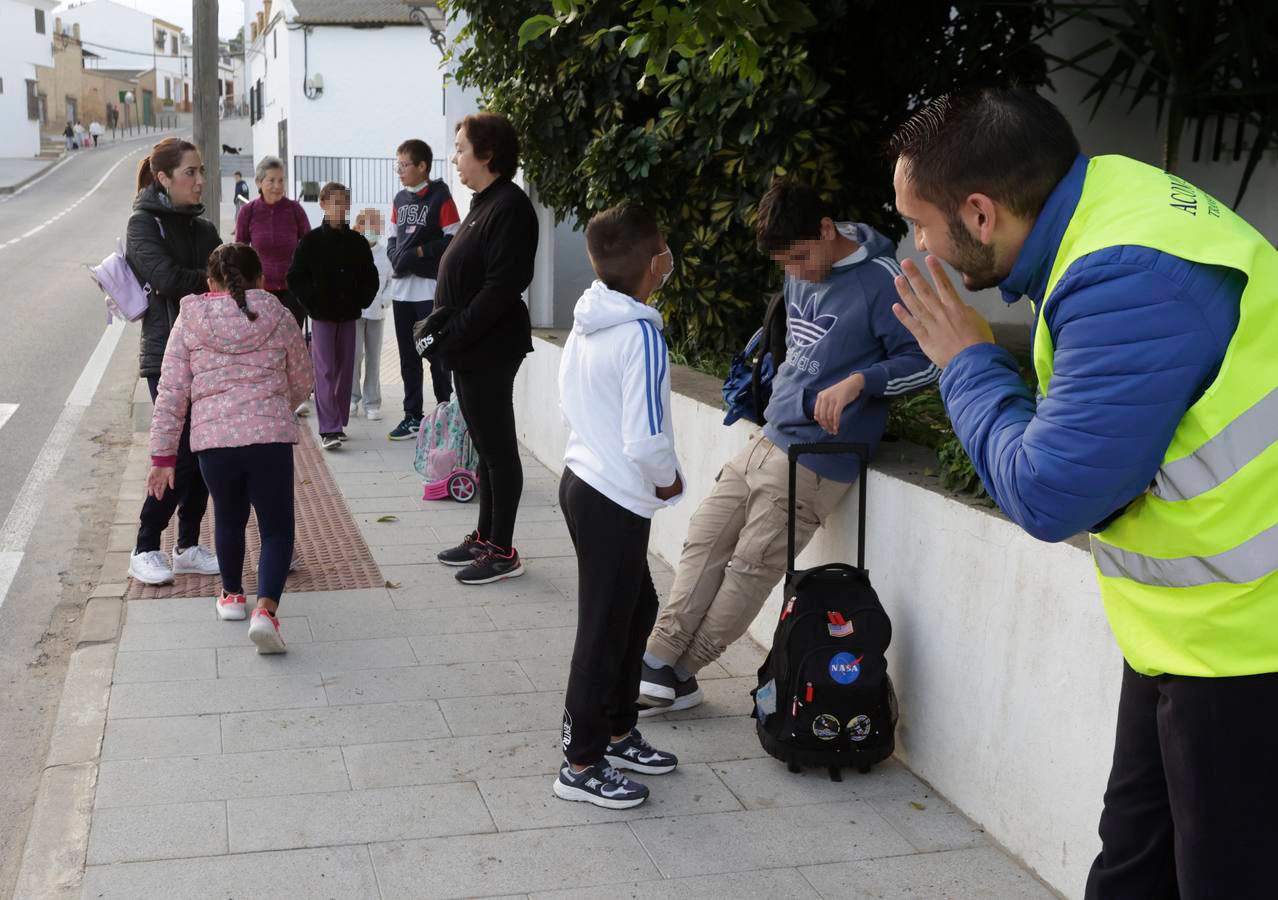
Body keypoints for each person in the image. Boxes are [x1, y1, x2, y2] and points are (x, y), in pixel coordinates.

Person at [885, 87, 1277, 900]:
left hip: (1246, 650)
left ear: (981, 213)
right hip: (1187, 633)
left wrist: (966, 363)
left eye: (920, 223)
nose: (918, 243)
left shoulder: (1126, 279)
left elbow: (1052, 495)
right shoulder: (1110, 201)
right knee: (1130, 869)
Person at [638, 177, 937, 715]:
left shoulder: (882, 281)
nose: (796, 272)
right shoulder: (800, 263)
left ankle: (681, 674)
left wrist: (860, 382)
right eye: (786, 263)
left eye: (800, 258)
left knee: (750, 568)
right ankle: (656, 660)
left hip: (820, 458)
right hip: (767, 438)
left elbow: (926, 363)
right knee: (704, 539)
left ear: (826, 229)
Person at [553, 203, 683, 809]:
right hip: (612, 497)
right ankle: (580, 763)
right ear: (655, 263)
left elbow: (571, 404)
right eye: (664, 248)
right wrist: (668, 482)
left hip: (584, 483)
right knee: (603, 627)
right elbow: (647, 438)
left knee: (636, 610)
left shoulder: (588, 319)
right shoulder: (641, 335)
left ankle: (617, 731)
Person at [147, 243, 313, 653]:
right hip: (269, 438)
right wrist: (278, 405)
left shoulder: (190, 318)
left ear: (210, 282)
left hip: (214, 443)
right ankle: (266, 611)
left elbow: (171, 392)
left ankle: (233, 596)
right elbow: (302, 378)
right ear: (261, 279)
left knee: (228, 517)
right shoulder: (279, 314)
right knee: (276, 529)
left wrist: (163, 457)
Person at [426, 113, 539, 585]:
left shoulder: (510, 207)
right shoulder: (484, 203)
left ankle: (502, 550)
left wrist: (454, 332)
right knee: (485, 446)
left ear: (487, 154)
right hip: (470, 348)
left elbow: (501, 286)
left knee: (498, 450)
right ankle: (485, 537)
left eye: (461, 148)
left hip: (489, 347)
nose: (454, 157)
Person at [125, 137, 223, 586]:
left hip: (208, 352)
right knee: (179, 456)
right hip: (165, 354)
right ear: (163, 178)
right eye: (190, 173)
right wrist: (210, 280)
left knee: (202, 454)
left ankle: (187, 546)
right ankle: (145, 546)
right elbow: (166, 279)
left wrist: (209, 280)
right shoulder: (143, 225)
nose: (200, 180)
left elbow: (227, 279)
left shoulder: (203, 227)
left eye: (200, 171)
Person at [286, 182, 379, 450]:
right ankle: (329, 428)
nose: (340, 208)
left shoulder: (357, 242)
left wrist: (361, 301)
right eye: (334, 203)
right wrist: (312, 303)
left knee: (346, 369)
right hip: (322, 317)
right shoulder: (311, 241)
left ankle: (338, 421)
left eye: (344, 203)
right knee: (325, 370)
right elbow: (295, 277)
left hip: (349, 315)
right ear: (323, 205)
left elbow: (370, 277)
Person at [385, 139, 459, 440]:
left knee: (436, 354)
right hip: (401, 292)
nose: (399, 171)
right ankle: (412, 416)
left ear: (422, 166)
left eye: (404, 165)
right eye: (398, 165)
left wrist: (418, 253)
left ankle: (445, 412)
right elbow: (392, 238)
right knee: (408, 358)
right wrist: (396, 257)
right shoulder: (399, 200)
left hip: (429, 290)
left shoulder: (441, 196)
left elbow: (452, 238)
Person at [235, 156, 311, 332]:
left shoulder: (295, 210)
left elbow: (310, 247)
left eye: (281, 180)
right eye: (271, 180)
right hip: (260, 293)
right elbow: (238, 253)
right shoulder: (248, 212)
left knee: (291, 342)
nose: (278, 185)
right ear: (259, 182)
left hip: (293, 292)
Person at [351, 208, 391, 421]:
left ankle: (372, 402)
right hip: (355, 313)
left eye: (377, 225)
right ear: (359, 227)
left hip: (377, 313)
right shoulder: (352, 250)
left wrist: (384, 300)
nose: (373, 229)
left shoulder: (386, 253)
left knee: (373, 359)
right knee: (354, 356)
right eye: (369, 225)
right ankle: (351, 398)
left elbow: (392, 281)